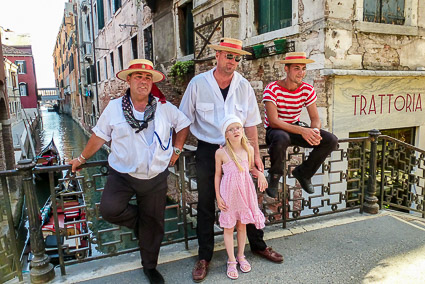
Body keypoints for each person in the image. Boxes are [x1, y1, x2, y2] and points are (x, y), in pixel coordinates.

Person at [69, 59, 190, 284]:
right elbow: (99, 136)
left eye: (147, 78)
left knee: (154, 222)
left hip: (155, 175)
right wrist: (82, 158)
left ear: (151, 82)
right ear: (129, 80)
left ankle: (150, 267)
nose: (143, 82)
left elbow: (183, 124)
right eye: (138, 77)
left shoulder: (164, 107)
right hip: (122, 175)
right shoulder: (114, 108)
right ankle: (144, 224)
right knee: (109, 210)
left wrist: (177, 148)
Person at [179, 37, 283, 283]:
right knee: (206, 202)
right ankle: (204, 257)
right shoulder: (197, 84)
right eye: (228, 56)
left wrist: (256, 156)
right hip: (208, 149)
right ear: (217, 56)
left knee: (248, 199)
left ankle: (257, 245)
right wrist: (176, 150)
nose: (233, 61)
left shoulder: (243, 86)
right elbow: (183, 120)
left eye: (237, 57)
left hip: (239, 150)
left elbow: (251, 124)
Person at [263, 52, 338, 198]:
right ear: (286, 69)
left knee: (331, 140)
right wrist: (303, 131)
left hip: (296, 128)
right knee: (281, 138)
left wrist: (314, 131)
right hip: (275, 130)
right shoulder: (272, 89)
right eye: (297, 68)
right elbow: (273, 121)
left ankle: (303, 173)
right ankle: (274, 176)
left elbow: (315, 118)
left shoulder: (307, 89)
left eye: (303, 68)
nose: (301, 73)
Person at [215, 115, 267, 280]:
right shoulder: (221, 153)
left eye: (238, 127)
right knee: (229, 228)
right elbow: (217, 175)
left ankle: (241, 256)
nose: (235, 131)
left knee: (242, 226)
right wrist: (218, 196)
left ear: (242, 130)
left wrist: (260, 174)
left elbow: (250, 168)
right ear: (226, 134)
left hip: (245, 192)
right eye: (231, 129)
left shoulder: (249, 150)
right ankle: (231, 260)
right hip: (229, 194)